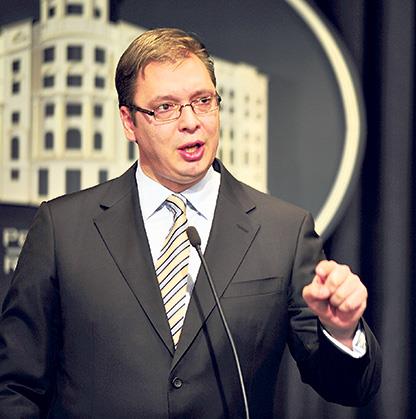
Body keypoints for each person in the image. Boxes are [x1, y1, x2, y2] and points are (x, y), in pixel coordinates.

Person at [0, 28, 381, 418]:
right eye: (166, 107)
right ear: (129, 122)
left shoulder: (283, 232)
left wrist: (341, 332)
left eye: (203, 101)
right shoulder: (62, 229)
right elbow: (15, 386)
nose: (191, 122)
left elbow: (351, 387)